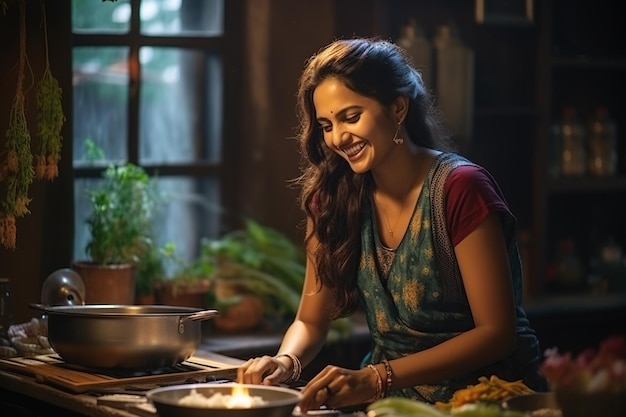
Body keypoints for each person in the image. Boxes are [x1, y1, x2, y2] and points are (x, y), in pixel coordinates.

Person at [237, 37, 547, 412]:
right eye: (326, 125)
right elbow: (311, 319)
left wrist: (376, 377)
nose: (338, 138)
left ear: (398, 108)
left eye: (351, 117)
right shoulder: (332, 198)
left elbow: (496, 334)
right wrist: (286, 362)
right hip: (392, 404)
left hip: (487, 400)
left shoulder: (460, 188)